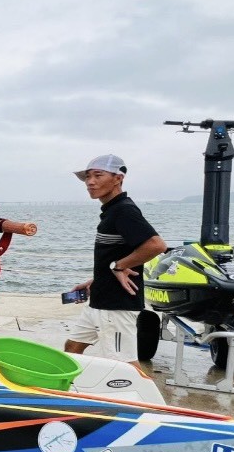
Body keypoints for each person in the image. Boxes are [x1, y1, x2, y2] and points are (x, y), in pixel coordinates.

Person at [64, 154, 167, 364]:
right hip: (100, 301)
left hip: (117, 305)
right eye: (87, 177)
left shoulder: (124, 210)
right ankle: (69, 391)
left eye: (98, 175)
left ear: (118, 178)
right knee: (72, 347)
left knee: (124, 365)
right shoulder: (111, 211)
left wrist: (120, 266)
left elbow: (156, 245)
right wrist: (97, 280)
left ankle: (141, 398)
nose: (90, 182)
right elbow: (119, 253)